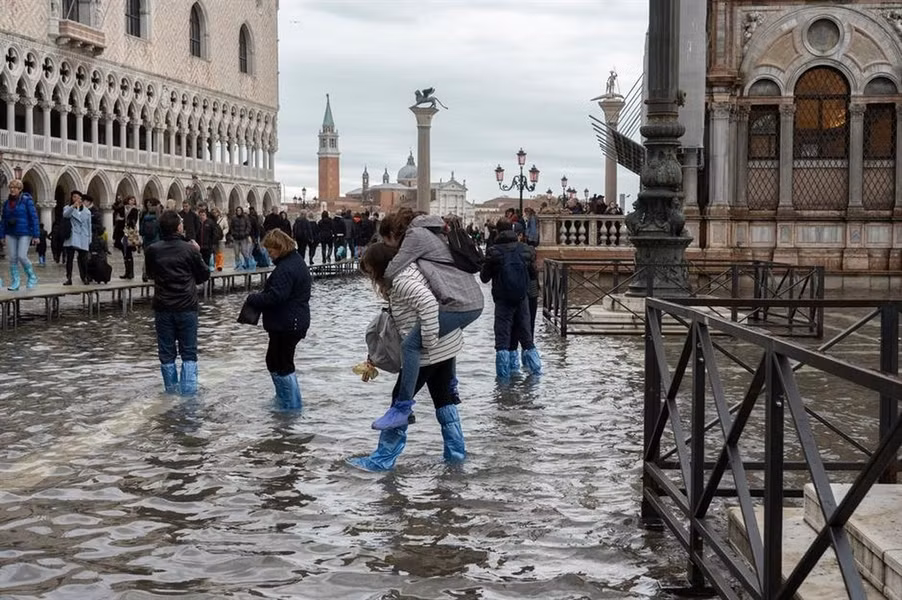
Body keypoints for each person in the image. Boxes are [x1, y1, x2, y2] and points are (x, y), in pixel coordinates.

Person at [350, 241, 466, 471]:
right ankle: (456, 456)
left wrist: (428, 340)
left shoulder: (402, 282)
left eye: (372, 272)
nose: (372, 278)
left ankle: (382, 460)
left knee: (399, 403)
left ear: (381, 268)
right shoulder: (412, 272)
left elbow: (428, 305)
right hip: (446, 348)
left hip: (428, 351)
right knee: (443, 399)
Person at [373, 213, 484, 429]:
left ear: (393, 234)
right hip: (469, 302)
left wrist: (386, 281)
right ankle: (455, 456)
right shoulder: (435, 234)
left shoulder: (416, 236)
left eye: (386, 240)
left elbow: (394, 268)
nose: (389, 247)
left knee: (411, 347)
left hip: (459, 305)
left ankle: (400, 414)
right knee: (443, 395)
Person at [145, 210, 211, 395]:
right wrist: (197, 254)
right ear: (178, 227)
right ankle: (188, 396)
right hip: (186, 306)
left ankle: (171, 392)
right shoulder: (190, 249)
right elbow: (204, 274)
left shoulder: (153, 250)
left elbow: (150, 274)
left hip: (163, 306)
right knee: (189, 352)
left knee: (166, 353)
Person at [244, 229, 311, 410]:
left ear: (279, 247)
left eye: (271, 250)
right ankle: (286, 400)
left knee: (281, 363)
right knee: (276, 360)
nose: (268, 253)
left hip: (287, 323)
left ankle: (290, 405)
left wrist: (253, 298)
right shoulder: (295, 261)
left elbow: (276, 297)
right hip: (292, 321)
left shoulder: (286, 268)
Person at [480, 219, 542, 378]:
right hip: (522, 298)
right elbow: (533, 274)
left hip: (502, 300)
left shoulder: (494, 251)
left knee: (502, 338)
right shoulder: (525, 250)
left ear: (498, 232)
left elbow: (484, 278)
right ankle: (535, 375)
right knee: (526, 336)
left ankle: (503, 383)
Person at [0, 179, 40, 290]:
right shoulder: (6, 203)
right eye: (11, 187)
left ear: (20, 189)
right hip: (10, 232)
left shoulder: (27, 200)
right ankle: (15, 282)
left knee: (22, 256)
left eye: (15, 187)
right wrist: (1, 235)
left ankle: (32, 277)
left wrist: (36, 235)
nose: (12, 189)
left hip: (24, 232)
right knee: (12, 258)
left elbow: (34, 218)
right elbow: (3, 220)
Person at [62, 190, 92, 286]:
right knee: (69, 259)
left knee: (83, 259)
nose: (76, 199)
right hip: (72, 236)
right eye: (74, 197)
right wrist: (73, 206)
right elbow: (65, 215)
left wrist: (89, 238)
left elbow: (89, 225)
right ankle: (69, 278)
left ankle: (85, 277)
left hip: (83, 236)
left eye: (78, 197)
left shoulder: (87, 211)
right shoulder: (67, 208)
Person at [139, 198, 161, 282]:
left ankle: (145, 273)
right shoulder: (158, 219)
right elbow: (160, 230)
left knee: (146, 257)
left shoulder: (145, 218)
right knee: (155, 258)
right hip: (156, 241)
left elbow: (141, 231)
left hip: (146, 241)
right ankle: (153, 274)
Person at [120, 196, 139, 279]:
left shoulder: (134, 210)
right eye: (131, 200)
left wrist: (128, 222)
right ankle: (126, 272)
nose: (132, 202)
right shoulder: (123, 208)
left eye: (133, 201)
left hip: (130, 233)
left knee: (129, 253)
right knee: (124, 253)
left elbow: (134, 220)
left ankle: (131, 273)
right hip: (122, 232)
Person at [212, 207, 229, 271]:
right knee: (215, 252)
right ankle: (215, 264)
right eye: (213, 212)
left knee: (220, 252)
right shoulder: (211, 220)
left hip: (221, 238)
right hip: (214, 238)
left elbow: (227, 227)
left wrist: (223, 233)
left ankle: (220, 265)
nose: (214, 214)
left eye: (215, 212)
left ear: (218, 213)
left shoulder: (223, 219)